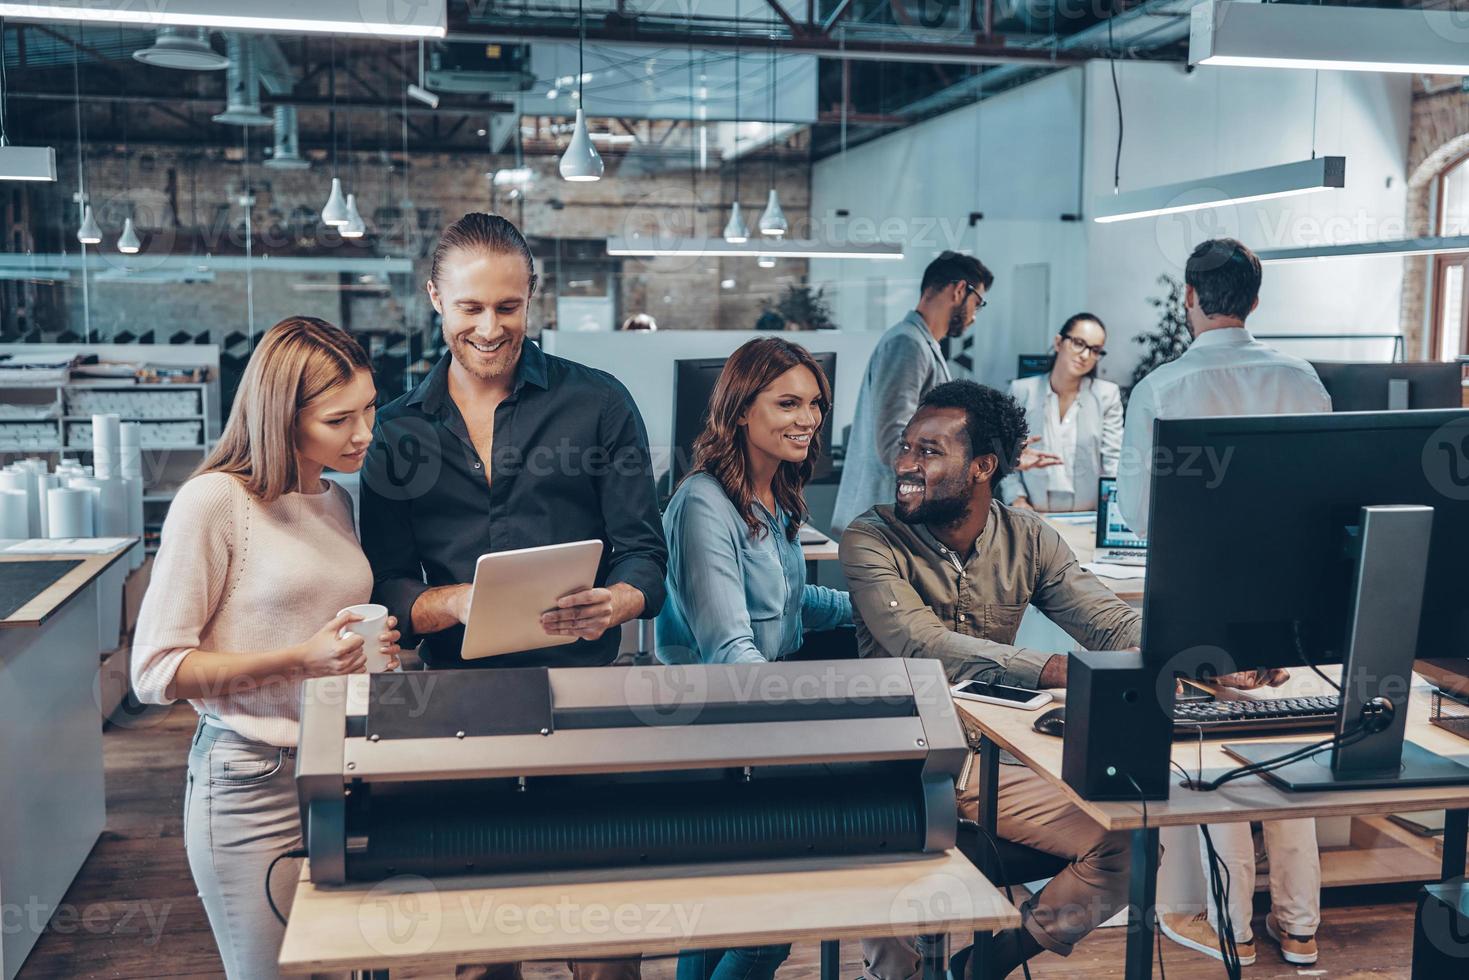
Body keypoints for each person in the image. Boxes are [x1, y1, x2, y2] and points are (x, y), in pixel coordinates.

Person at [360, 212, 667, 980]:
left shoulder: (598, 405)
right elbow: (387, 584)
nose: (490, 328)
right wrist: (455, 603)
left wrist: (618, 601)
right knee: (485, 944)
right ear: (435, 298)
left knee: (602, 944)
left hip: (584, 695)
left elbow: (643, 555)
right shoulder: (396, 433)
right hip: (461, 710)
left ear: (533, 298)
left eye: (508, 306)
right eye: (470, 307)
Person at [130, 317, 403, 979]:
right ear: (284, 416)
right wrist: (299, 659)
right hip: (250, 782)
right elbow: (155, 673)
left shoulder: (335, 499)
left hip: (339, 771)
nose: (364, 433)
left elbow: (314, 628)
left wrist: (371, 654)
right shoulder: (215, 501)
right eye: (340, 420)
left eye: (369, 410)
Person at [840, 380, 1140, 980]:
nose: (906, 464)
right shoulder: (871, 538)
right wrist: (1054, 670)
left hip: (985, 766)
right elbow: (922, 645)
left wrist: (1193, 654)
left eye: (928, 451)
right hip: (892, 768)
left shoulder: (1028, 539)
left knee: (1130, 843)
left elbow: (1108, 622)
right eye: (906, 447)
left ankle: (987, 962)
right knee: (900, 968)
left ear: (982, 466)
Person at [1119, 238, 1329, 968]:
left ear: (1188, 297)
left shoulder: (1162, 388)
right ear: (1254, 299)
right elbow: (1327, 499)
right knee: (1292, 754)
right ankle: (1300, 926)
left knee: (1220, 762)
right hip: (1293, 600)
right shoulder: (1301, 379)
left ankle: (1230, 922)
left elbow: (1144, 515)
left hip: (1201, 596)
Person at [656, 336, 852, 980]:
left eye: (815, 404)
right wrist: (813, 716)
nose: (808, 419)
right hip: (711, 729)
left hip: (752, 721)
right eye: (788, 403)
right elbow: (731, 650)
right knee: (764, 928)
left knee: (722, 916)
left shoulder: (777, 494)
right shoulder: (703, 504)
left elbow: (795, 603)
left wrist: (887, 608)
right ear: (741, 408)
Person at [830, 251, 991, 534]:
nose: (975, 317)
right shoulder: (907, 343)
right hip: (885, 520)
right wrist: (957, 469)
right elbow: (892, 443)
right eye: (978, 303)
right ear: (959, 290)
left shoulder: (921, 344)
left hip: (897, 518)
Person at [1001, 313, 1122, 513]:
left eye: (1095, 350)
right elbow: (1005, 456)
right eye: (1078, 343)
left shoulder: (1106, 395)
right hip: (1031, 515)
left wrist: (1111, 512)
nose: (1085, 355)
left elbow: (1113, 460)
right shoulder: (1021, 391)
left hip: (1088, 515)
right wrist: (1018, 500)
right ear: (1059, 342)